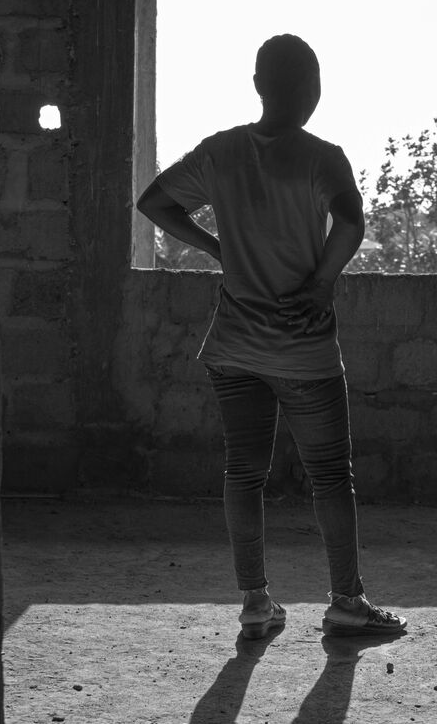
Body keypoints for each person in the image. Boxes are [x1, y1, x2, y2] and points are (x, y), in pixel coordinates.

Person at [137, 34, 407, 640]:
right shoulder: (323, 157)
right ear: (314, 90)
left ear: (259, 85)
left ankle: (256, 603)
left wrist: (216, 248)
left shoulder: (220, 152)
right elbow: (351, 222)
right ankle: (346, 602)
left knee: (244, 472)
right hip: (303, 350)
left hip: (234, 347)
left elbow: (153, 202)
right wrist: (320, 284)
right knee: (330, 477)